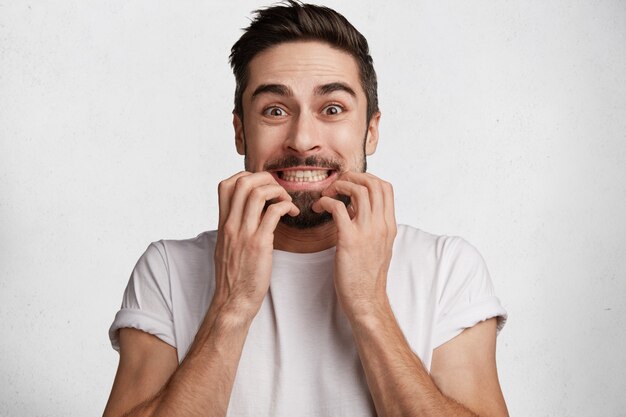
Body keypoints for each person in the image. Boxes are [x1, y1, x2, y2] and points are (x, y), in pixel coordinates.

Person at [103, 2, 509, 416]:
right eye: (275, 111)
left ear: (371, 130)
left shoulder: (446, 268)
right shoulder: (168, 270)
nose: (302, 139)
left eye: (332, 109)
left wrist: (370, 306)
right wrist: (232, 305)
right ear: (241, 133)